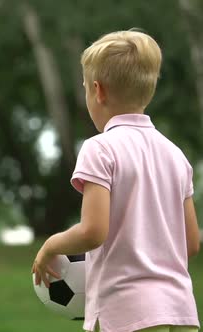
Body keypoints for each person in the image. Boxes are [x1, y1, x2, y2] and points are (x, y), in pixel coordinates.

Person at [32, 30, 200, 332]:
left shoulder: (100, 148)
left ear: (98, 91)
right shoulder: (176, 156)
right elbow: (190, 242)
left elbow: (93, 232)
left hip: (127, 314)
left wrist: (50, 246)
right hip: (180, 311)